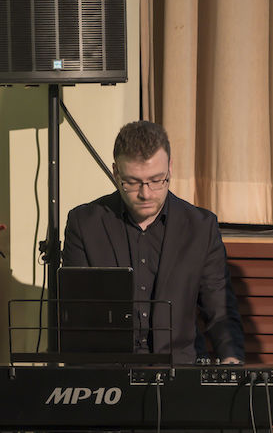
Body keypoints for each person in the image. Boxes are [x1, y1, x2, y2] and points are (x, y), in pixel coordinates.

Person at [62, 121, 244, 365]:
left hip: (179, 370)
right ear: (116, 172)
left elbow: (220, 310)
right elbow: (76, 315)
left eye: (157, 180)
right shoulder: (85, 224)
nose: (145, 194)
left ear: (170, 168)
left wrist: (231, 358)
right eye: (132, 182)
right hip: (109, 372)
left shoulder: (201, 227)